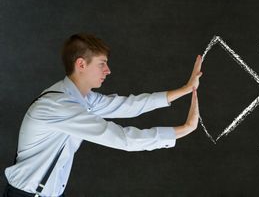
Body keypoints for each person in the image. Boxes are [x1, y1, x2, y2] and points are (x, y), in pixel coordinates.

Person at [3, 33, 202, 197]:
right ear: (81, 64)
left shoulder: (81, 98)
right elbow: (122, 139)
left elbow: (128, 105)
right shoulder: (58, 106)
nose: (108, 70)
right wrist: (184, 129)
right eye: (102, 63)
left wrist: (185, 89)